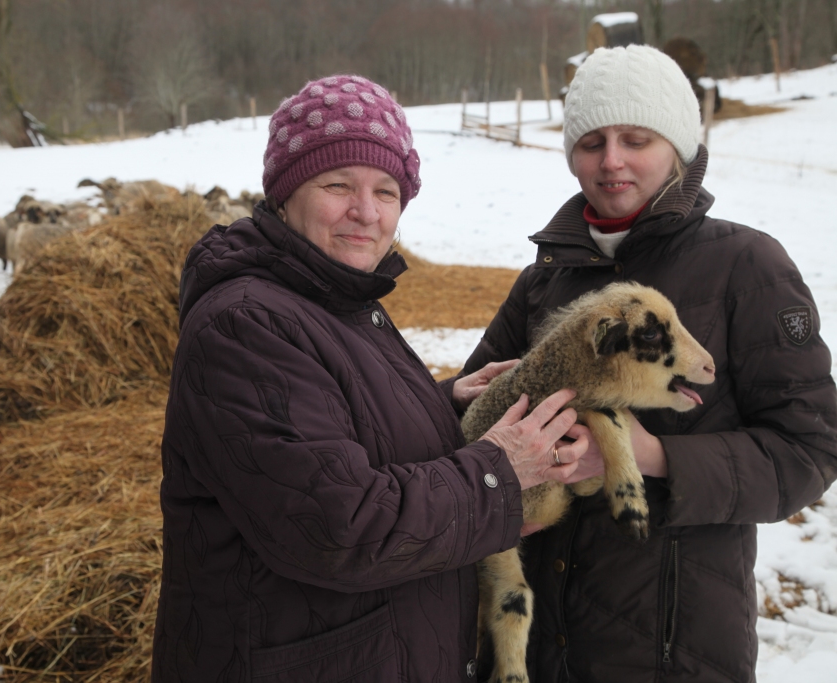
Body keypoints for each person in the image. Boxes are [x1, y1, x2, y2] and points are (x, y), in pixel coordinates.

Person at [151, 74, 595, 682]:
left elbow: (325, 436)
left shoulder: (333, 298)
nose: (366, 212)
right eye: (338, 184)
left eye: (387, 191)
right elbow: (339, 526)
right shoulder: (245, 323)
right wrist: (500, 471)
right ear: (284, 193)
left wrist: (441, 406)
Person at [459, 45, 837, 683]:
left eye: (635, 138)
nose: (611, 161)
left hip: (671, 651)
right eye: (591, 142)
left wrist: (646, 457)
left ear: (679, 146)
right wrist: (457, 403)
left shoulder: (747, 267)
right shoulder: (545, 281)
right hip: (537, 647)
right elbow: (473, 420)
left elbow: (810, 451)